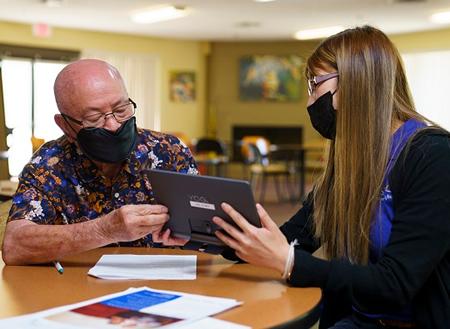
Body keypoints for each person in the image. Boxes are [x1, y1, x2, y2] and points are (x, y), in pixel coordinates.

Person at [213, 26, 450, 328]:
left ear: (356, 83)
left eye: (315, 84)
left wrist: (289, 262)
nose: (310, 101)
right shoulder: (351, 160)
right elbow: (294, 239)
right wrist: (210, 229)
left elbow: (396, 283)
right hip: (353, 317)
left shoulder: (432, 155)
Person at [2, 59, 197, 265]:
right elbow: (15, 246)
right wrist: (104, 230)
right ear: (65, 125)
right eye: (94, 117)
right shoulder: (49, 164)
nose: (113, 125)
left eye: (121, 109)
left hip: (168, 283)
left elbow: (205, 224)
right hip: (76, 288)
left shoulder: (169, 151)